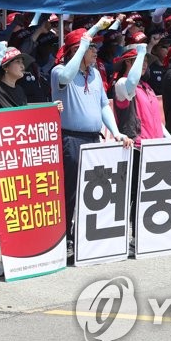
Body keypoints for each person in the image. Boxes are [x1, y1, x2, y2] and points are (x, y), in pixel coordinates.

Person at [52, 19, 132, 260]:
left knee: (92, 190)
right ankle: (65, 239)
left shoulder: (95, 73)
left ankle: (84, 238)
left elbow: (103, 105)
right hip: (70, 138)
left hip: (93, 138)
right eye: (91, 47)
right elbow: (67, 75)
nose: (96, 50)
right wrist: (85, 42)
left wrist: (116, 132)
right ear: (77, 50)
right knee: (70, 192)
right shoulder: (59, 71)